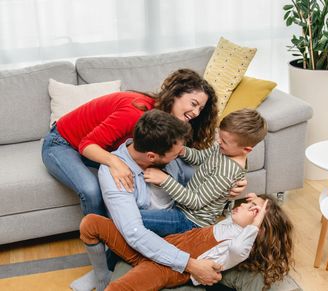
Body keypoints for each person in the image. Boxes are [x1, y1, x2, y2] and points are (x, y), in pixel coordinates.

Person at [41, 68, 219, 216]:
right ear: (175, 95)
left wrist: (226, 184)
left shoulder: (170, 123)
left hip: (96, 145)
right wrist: (115, 162)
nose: (196, 113)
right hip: (63, 142)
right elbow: (87, 145)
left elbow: (187, 160)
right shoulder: (135, 112)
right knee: (91, 190)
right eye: (193, 103)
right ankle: (103, 240)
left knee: (184, 170)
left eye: (200, 109)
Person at [89, 109, 223, 289]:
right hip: (145, 243)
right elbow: (134, 233)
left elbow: (199, 177)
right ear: (152, 156)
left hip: (181, 229)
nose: (179, 155)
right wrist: (190, 264)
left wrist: (228, 187)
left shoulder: (167, 148)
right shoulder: (114, 175)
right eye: (175, 155)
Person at [79, 193, 294, 291]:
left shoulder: (239, 245)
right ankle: (101, 276)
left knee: (118, 288)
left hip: (166, 269)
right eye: (249, 204)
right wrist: (252, 200)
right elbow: (228, 206)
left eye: (253, 209)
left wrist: (256, 223)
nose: (244, 206)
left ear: (258, 227)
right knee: (91, 223)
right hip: (155, 247)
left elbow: (240, 247)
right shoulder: (232, 223)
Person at [141, 109, 268, 236]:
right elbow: (200, 157)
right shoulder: (224, 150)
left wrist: (164, 180)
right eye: (220, 136)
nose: (218, 141)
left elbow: (196, 202)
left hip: (190, 221)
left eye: (224, 141)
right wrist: (182, 150)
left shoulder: (226, 173)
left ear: (246, 149)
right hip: (181, 207)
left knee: (136, 218)